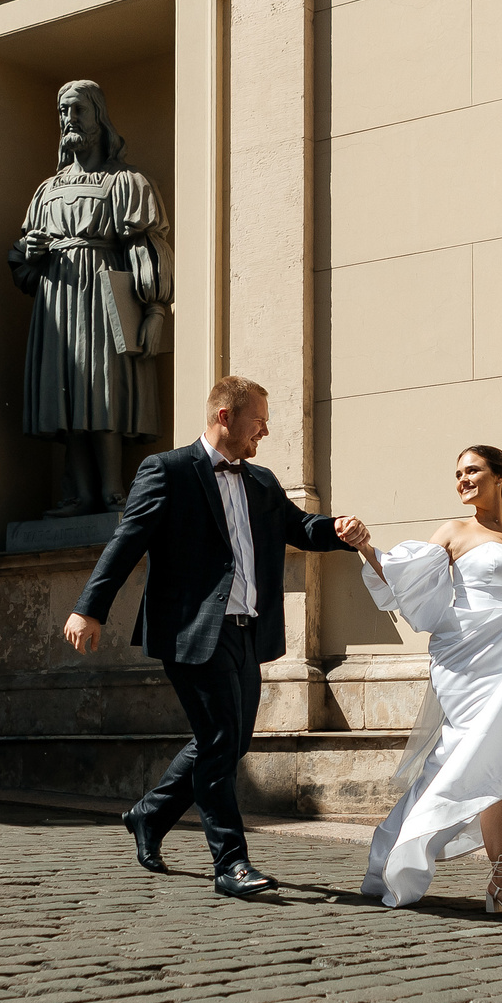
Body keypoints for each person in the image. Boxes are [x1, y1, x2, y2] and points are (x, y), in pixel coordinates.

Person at [63, 377, 367, 897]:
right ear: (225, 417)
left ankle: (149, 815)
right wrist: (89, 609)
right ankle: (231, 863)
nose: (265, 431)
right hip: (192, 630)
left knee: (225, 741)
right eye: (259, 420)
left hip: (248, 630)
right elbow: (127, 540)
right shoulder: (168, 470)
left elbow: (299, 528)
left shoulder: (262, 481)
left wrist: (338, 529)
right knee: (223, 740)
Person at [346, 447, 502, 919]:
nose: (462, 480)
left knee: (501, 760)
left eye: (472, 471)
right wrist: (365, 546)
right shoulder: (454, 531)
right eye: (458, 474)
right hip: (466, 660)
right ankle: (394, 858)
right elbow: (402, 579)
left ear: (500, 476)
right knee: (461, 759)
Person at [8, 80, 172, 514]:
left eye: (78, 110)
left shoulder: (127, 183)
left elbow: (146, 246)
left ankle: (113, 489)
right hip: (57, 302)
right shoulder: (46, 191)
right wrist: (30, 253)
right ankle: (78, 492)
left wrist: (155, 308)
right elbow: (21, 263)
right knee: (66, 391)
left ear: (99, 116)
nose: (69, 120)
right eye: (63, 112)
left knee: (104, 389)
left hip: (103, 299)